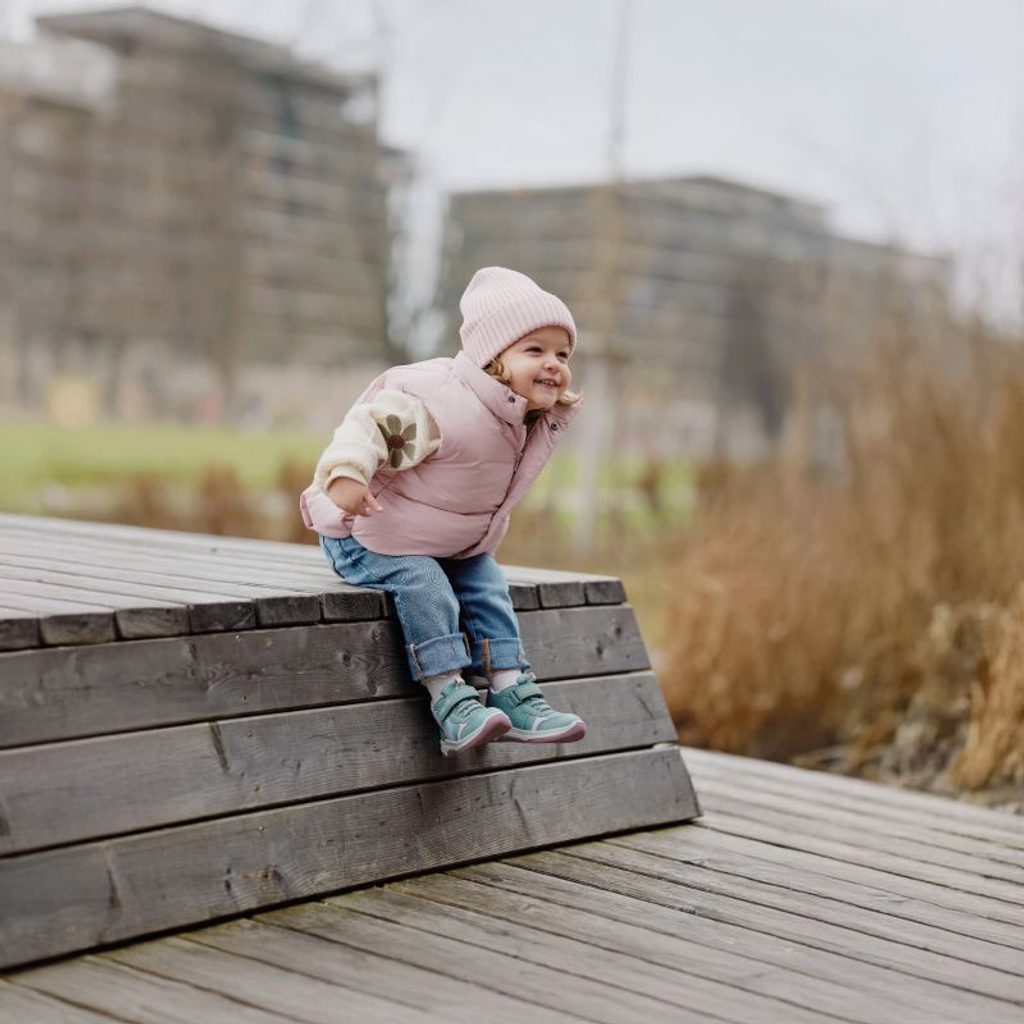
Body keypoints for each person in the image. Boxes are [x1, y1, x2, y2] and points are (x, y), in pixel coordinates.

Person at [299, 267, 587, 756]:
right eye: (535, 350)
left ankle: (510, 687)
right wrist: (346, 474)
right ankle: (450, 699)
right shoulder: (437, 400)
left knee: (487, 584)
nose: (553, 364)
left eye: (562, 354)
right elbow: (367, 429)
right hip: (367, 535)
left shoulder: (523, 416)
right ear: (493, 358)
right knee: (425, 584)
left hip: (447, 542)